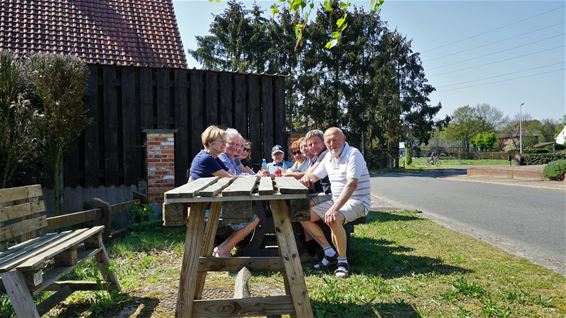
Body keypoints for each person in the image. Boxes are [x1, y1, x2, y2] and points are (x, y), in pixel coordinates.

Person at [300, 127, 371, 278]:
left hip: (357, 201)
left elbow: (351, 184)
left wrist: (334, 209)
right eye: (328, 141)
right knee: (301, 214)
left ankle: (342, 262)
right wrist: (306, 178)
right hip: (335, 199)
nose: (332, 144)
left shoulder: (353, 154)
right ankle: (329, 252)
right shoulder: (329, 157)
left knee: (334, 217)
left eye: (335, 140)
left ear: (344, 138)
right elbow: (315, 177)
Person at [189, 125, 259, 257]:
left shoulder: (213, 158)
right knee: (253, 219)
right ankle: (223, 249)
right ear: (210, 142)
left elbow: (231, 175)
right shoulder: (205, 159)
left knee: (252, 213)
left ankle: (227, 247)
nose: (224, 144)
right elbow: (230, 179)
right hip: (206, 208)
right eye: (221, 141)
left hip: (212, 202)